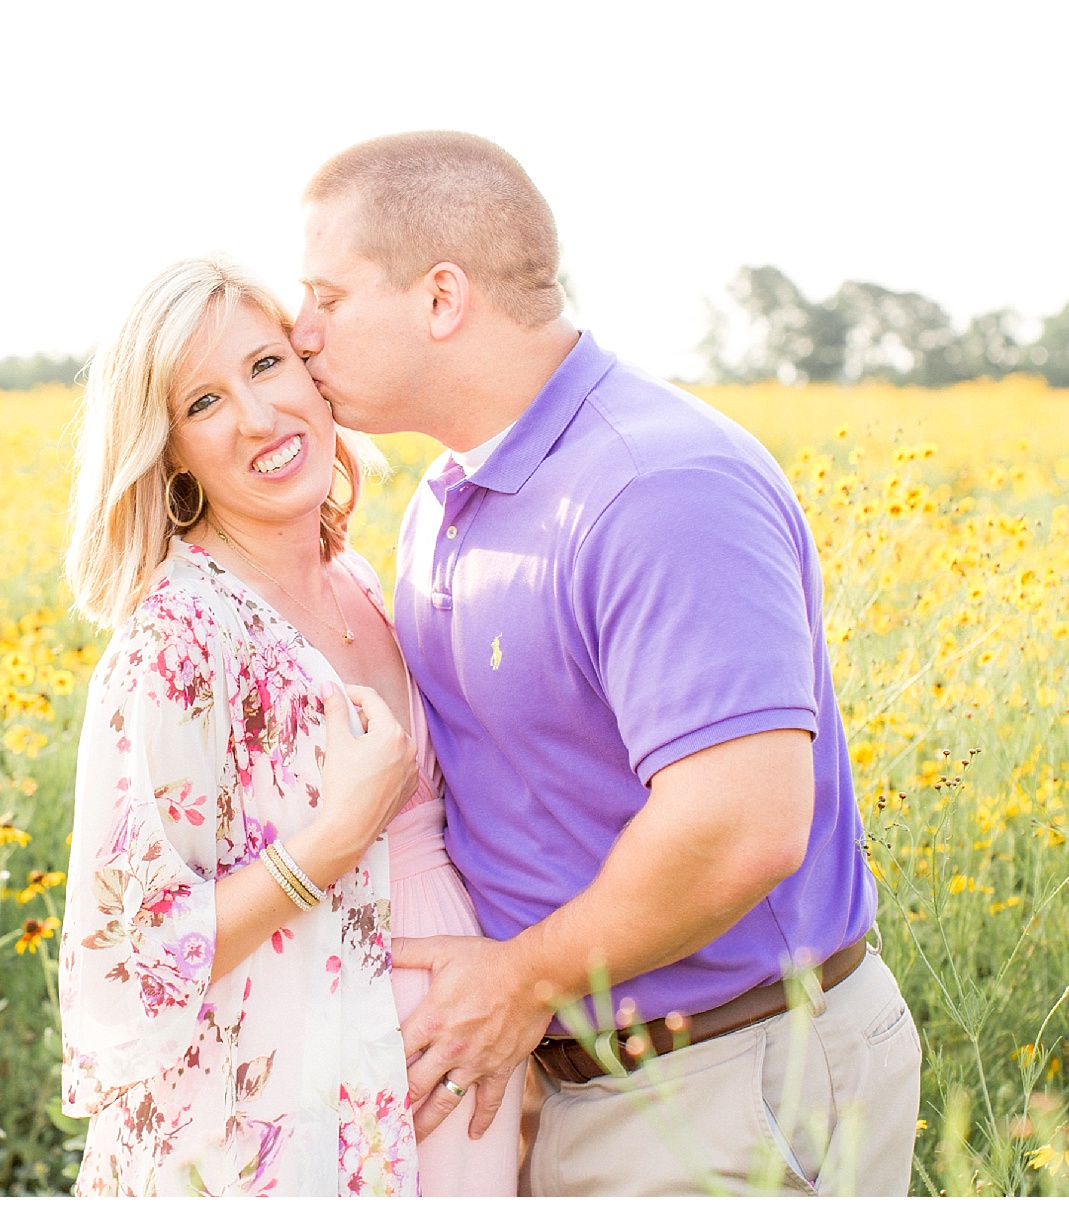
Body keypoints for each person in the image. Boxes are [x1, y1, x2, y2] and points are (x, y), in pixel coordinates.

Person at [289, 131, 922, 1196]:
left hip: (728, 1077)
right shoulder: (449, 495)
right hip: (579, 1083)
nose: (299, 332)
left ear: (442, 298)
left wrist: (522, 980)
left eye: (327, 297)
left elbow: (743, 825)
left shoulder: (656, 486)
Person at [59, 256, 523, 1196]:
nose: (258, 416)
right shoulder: (178, 641)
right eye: (204, 402)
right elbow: (127, 960)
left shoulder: (361, 583)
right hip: (277, 1135)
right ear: (169, 452)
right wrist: (330, 842)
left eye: (266, 365)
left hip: (444, 1087)